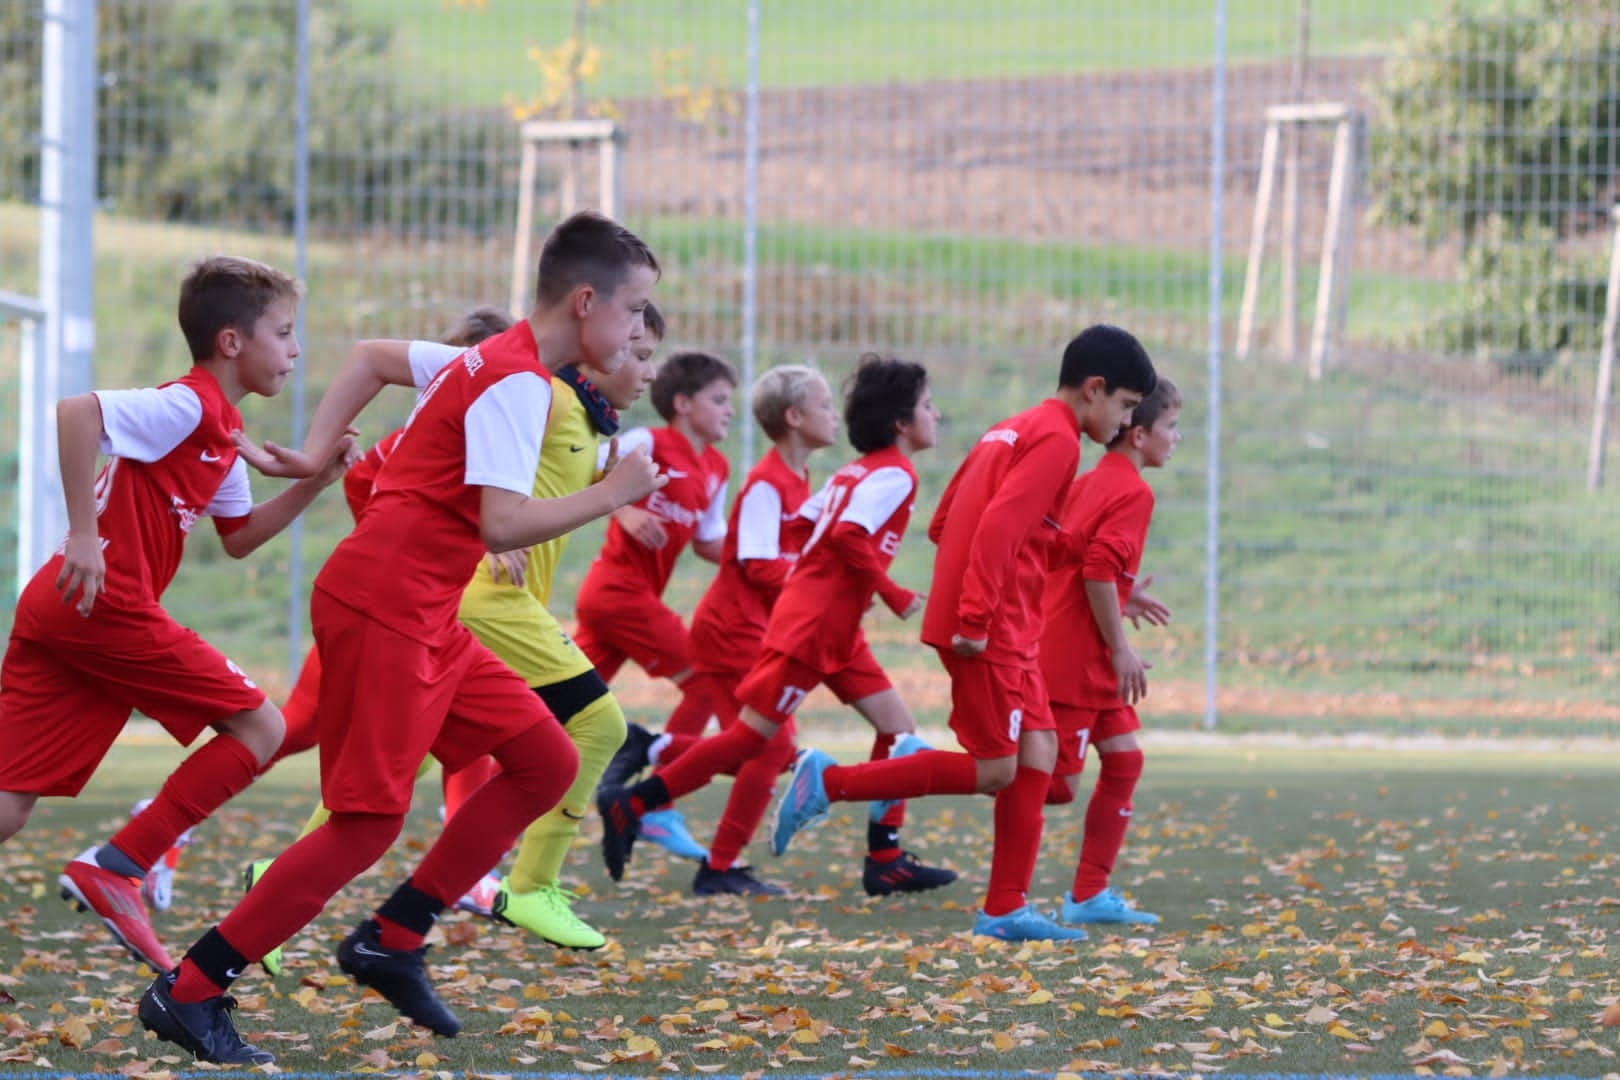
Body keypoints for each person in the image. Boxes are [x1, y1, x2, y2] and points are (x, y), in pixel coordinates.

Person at [137, 211, 664, 1066]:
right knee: (365, 825)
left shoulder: (492, 359)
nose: (639, 330)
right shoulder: (518, 381)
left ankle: (394, 938)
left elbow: (368, 358)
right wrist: (615, 493)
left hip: (423, 612)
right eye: (634, 309)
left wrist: (315, 453)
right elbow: (500, 524)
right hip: (386, 605)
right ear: (586, 301)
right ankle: (190, 990)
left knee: (546, 760)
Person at [0, 255, 356, 976]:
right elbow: (76, 412)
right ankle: (120, 866)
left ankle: (120, 866)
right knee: (262, 727)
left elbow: (239, 537)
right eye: (284, 332)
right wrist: (82, 534)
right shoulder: (188, 406)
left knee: (8, 802)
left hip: (68, 608)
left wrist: (315, 483)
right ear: (231, 342)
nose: (295, 350)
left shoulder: (222, 433)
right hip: (104, 605)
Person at [770, 325, 1156, 944]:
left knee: (1039, 755)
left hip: (1009, 622)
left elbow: (949, 518)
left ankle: (1006, 907)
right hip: (993, 625)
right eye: (1127, 405)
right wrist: (976, 616)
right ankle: (831, 781)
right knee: (998, 770)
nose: (1127, 421)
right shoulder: (1059, 440)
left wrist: (1077, 573)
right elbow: (1000, 526)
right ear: (1095, 389)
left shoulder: (1016, 426)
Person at [598, 354, 955, 897]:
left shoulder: (833, 476)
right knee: (759, 744)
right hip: (768, 627)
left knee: (898, 728)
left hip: (828, 626)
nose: (833, 415)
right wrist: (884, 588)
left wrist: (840, 584)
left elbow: (814, 535)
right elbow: (790, 553)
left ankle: (884, 857)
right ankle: (673, 821)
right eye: (823, 405)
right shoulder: (815, 479)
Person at [602, 364, 842, 894]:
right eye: (826, 406)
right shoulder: (764, 482)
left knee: (757, 747)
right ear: (794, 417)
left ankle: (651, 776)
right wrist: (622, 512)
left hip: (750, 629)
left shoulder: (757, 474)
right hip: (727, 629)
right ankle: (663, 803)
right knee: (770, 748)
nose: (835, 416)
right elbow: (757, 565)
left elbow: (726, 547)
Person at [569, 349, 737, 853]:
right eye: (719, 400)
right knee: (706, 683)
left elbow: (710, 541)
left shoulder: (717, 467)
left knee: (560, 708)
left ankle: (475, 788)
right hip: (618, 593)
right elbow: (584, 468)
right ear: (683, 404)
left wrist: (773, 564)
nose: (730, 410)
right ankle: (658, 805)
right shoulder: (649, 443)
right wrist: (623, 511)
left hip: (623, 603)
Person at [1042, 376, 1180, 927]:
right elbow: (1096, 570)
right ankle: (888, 775)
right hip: (1075, 656)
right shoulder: (1134, 491)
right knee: (1051, 786)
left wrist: (1124, 594)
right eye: (1171, 426)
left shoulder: (1091, 480)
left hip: (1087, 650)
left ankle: (1089, 896)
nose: (1176, 437)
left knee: (1124, 760)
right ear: (1139, 434)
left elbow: (1077, 562)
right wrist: (1121, 647)